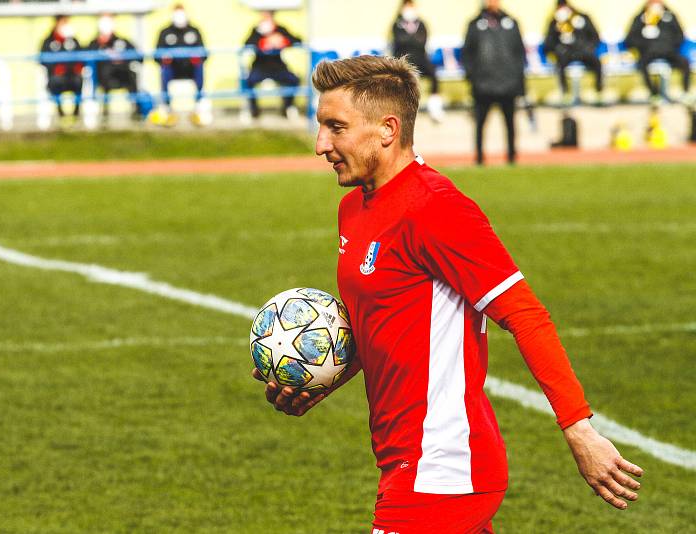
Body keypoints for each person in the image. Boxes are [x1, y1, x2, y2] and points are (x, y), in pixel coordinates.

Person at [253, 55, 644, 533]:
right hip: (404, 459)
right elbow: (383, 323)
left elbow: (525, 314)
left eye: (336, 128)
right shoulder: (352, 209)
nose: (321, 145)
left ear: (387, 129)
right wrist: (323, 379)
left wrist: (578, 428)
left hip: (442, 467)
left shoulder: (435, 208)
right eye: (321, 127)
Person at [461, 0, 526, 166]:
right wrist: (473, 77)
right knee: (480, 124)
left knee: (510, 124)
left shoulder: (511, 23)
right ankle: (480, 158)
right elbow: (467, 54)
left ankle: (512, 157)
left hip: (508, 84)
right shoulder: (475, 25)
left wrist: (518, 80)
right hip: (483, 85)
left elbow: (519, 54)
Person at [625, 0, 691, 102]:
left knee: (685, 62)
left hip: (669, 51)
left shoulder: (670, 18)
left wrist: (669, 44)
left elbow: (680, 36)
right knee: (642, 64)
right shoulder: (640, 19)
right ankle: (654, 93)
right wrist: (644, 40)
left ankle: (685, 92)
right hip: (649, 51)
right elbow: (630, 40)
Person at [155, 4, 208, 126]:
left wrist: (197, 58)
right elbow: (156, 55)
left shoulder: (194, 31)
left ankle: (199, 104)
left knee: (199, 68)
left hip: (190, 68)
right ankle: (166, 107)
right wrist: (164, 59)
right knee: (164, 70)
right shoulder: (165, 32)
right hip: (172, 69)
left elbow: (204, 53)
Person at [391, 0, 444, 122]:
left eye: (411, 6)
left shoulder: (421, 24)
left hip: (421, 59)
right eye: (407, 6)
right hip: (404, 59)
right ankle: (403, 108)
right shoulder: (397, 24)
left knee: (433, 73)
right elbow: (399, 42)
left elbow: (422, 42)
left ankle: (434, 106)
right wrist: (413, 39)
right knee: (403, 78)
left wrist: (409, 40)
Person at [244, 10, 302, 119]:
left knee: (294, 80)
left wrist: (282, 40)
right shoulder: (256, 30)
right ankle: (254, 110)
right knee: (248, 82)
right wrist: (265, 41)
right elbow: (247, 44)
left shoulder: (280, 29)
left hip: (278, 68)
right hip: (259, 67)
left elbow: (297, 40)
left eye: (267, 16)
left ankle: (287, 107)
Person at [543, 0, 603, 102]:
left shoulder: (582, 18)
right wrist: (558, 40)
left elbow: (595, 37)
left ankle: (598, 90)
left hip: (583, 51)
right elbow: (548, 44)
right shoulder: (554, 22)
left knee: (597, 62)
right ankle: (565, 93)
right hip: (566, 53)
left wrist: (588, 47)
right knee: (559, 65)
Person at [88, 14, 143, 120]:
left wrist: (122, 58)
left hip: (123, 75)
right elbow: (86, 58)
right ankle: (105, 112)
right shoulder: (94, 43)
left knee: (132, 75)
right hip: (105, 77)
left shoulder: (122, 41)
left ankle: (137, 110)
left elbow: (139, 57)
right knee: (103, 73)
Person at [40, 15, 84, 118]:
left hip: (72, 76)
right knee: (55, 82)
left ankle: (76, 111)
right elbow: (43, 59)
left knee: (78, 80)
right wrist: (55, 69)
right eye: (63, 22)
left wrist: (77, 68)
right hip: (57, 77)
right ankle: (60, 112)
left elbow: (82, 57)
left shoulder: (73, 41)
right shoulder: (48, 41)